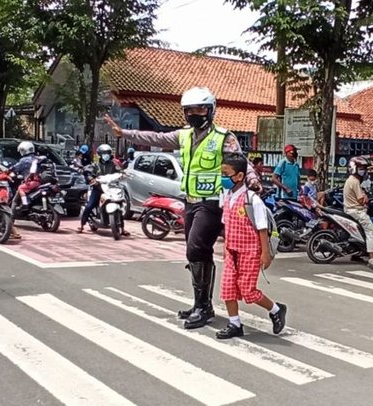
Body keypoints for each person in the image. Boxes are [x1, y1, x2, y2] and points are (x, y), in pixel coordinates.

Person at [103, 86, 260, 330]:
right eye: (189, 110)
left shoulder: (223, 137)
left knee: (196, 248)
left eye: (199, 109)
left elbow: (242, 161)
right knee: (197, 251)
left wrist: (252, 179)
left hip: (212, 202)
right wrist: (123, 133)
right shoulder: (183, 135)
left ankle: (203, 307)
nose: (194, 114)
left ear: (210, 111)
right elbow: (154, 138)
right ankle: (202, 304)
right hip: (191, 201)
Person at [215, 153, 287, 339]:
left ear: (239, 176)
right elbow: (226, 224)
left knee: (248, 291)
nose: (223, 177)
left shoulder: (252, 199)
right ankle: (234, 324)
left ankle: (276, 309)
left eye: (226, 173)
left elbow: (262, 228)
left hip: (249, 252)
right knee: (228, 288)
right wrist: (225, 246)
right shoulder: (227, 196)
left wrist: (265, 254)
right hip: (232, 251)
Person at [77, 144, 126, 235]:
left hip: (111, 189)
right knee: (89, 206)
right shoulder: (95, 165)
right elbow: (89, 173)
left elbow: (120, 172)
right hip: (98, 189)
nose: (106, 155)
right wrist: (91, 179)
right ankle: (82, 225)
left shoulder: (113, 164)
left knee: (119, 204)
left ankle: (122, 229)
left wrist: (123, 174)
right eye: (104, 153)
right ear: (100, 154)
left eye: (107, 153)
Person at [343, 157, 373, 263]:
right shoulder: (354, 181)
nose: (362, 170)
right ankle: (372, 258)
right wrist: (365, 198)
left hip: (351, 209)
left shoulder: (352, 180)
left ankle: (359, 252)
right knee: (371, 231)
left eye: (363, 168)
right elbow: (361, 200)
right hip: (356, 211)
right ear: (354, 168)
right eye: (361, 168)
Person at [10, 141, 43, 212]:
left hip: (32, 181)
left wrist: (9, 169)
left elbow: (16, 168)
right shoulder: (37, 158)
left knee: (20, 188)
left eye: (22, 150)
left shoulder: (24, 160)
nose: (21, 152)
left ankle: (25, 203)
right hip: (39, 181)